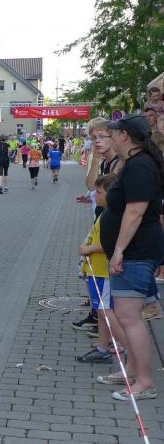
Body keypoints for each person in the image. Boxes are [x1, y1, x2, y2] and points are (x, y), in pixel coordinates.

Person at [97, 113, 164, 401]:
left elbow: (135, 211)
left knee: (129, 317)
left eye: (113, 133)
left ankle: (145, 381)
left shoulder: (139, 166)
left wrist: (119, 250)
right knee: (126, 316)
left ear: (124, 136)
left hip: (136, 251)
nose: (110, 137)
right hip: (134, 250)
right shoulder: (135, 164)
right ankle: (134, 370)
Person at [77, 174, 134, 368]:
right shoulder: (106, 212)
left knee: (105, 311)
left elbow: (111, 244)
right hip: (97, 270)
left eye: (99, 192)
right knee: (102, 312)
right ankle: (102, 348)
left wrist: (89, 248)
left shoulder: (113, 216)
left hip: (104, 270)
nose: (95, 195)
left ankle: (128, 349)